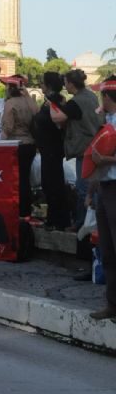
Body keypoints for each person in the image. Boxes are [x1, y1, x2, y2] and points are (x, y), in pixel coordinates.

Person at [59, 68, 101, 230]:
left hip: (84, 148)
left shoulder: (75, 102)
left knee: (83, 188)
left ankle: (81, 223)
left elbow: (58, 118)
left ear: (70, 83)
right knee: (92, 188)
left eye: (66, 83)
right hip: (95, 145)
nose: (65, 86)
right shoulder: (91, 96)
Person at [88, 77, 116, 320]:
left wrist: (106, 160)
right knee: (107, 249)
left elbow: (103, 159)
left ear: (107, 97)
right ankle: (112, 304)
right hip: (105, 188)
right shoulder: (107, 121)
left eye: (102, 96)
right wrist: (91, 191)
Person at [33, 71, 71, 230]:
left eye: (42, 82)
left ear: (48, 85)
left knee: (52, 184)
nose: (40, 85)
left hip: (51, 149)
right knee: (51, 183)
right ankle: (57, 218)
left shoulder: (54, 101)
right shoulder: (51, 100)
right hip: (48, 148)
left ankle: (57, 220)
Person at [0, 74, 38, 218]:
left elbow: (7, 129)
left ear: (10, 88)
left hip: (17, 145)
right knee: (25, 179)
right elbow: (36, 114)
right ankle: (26, 210)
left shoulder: (10, 104)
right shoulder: (30, 102)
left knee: (17, 180)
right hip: (31, 145)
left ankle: (19, 211)